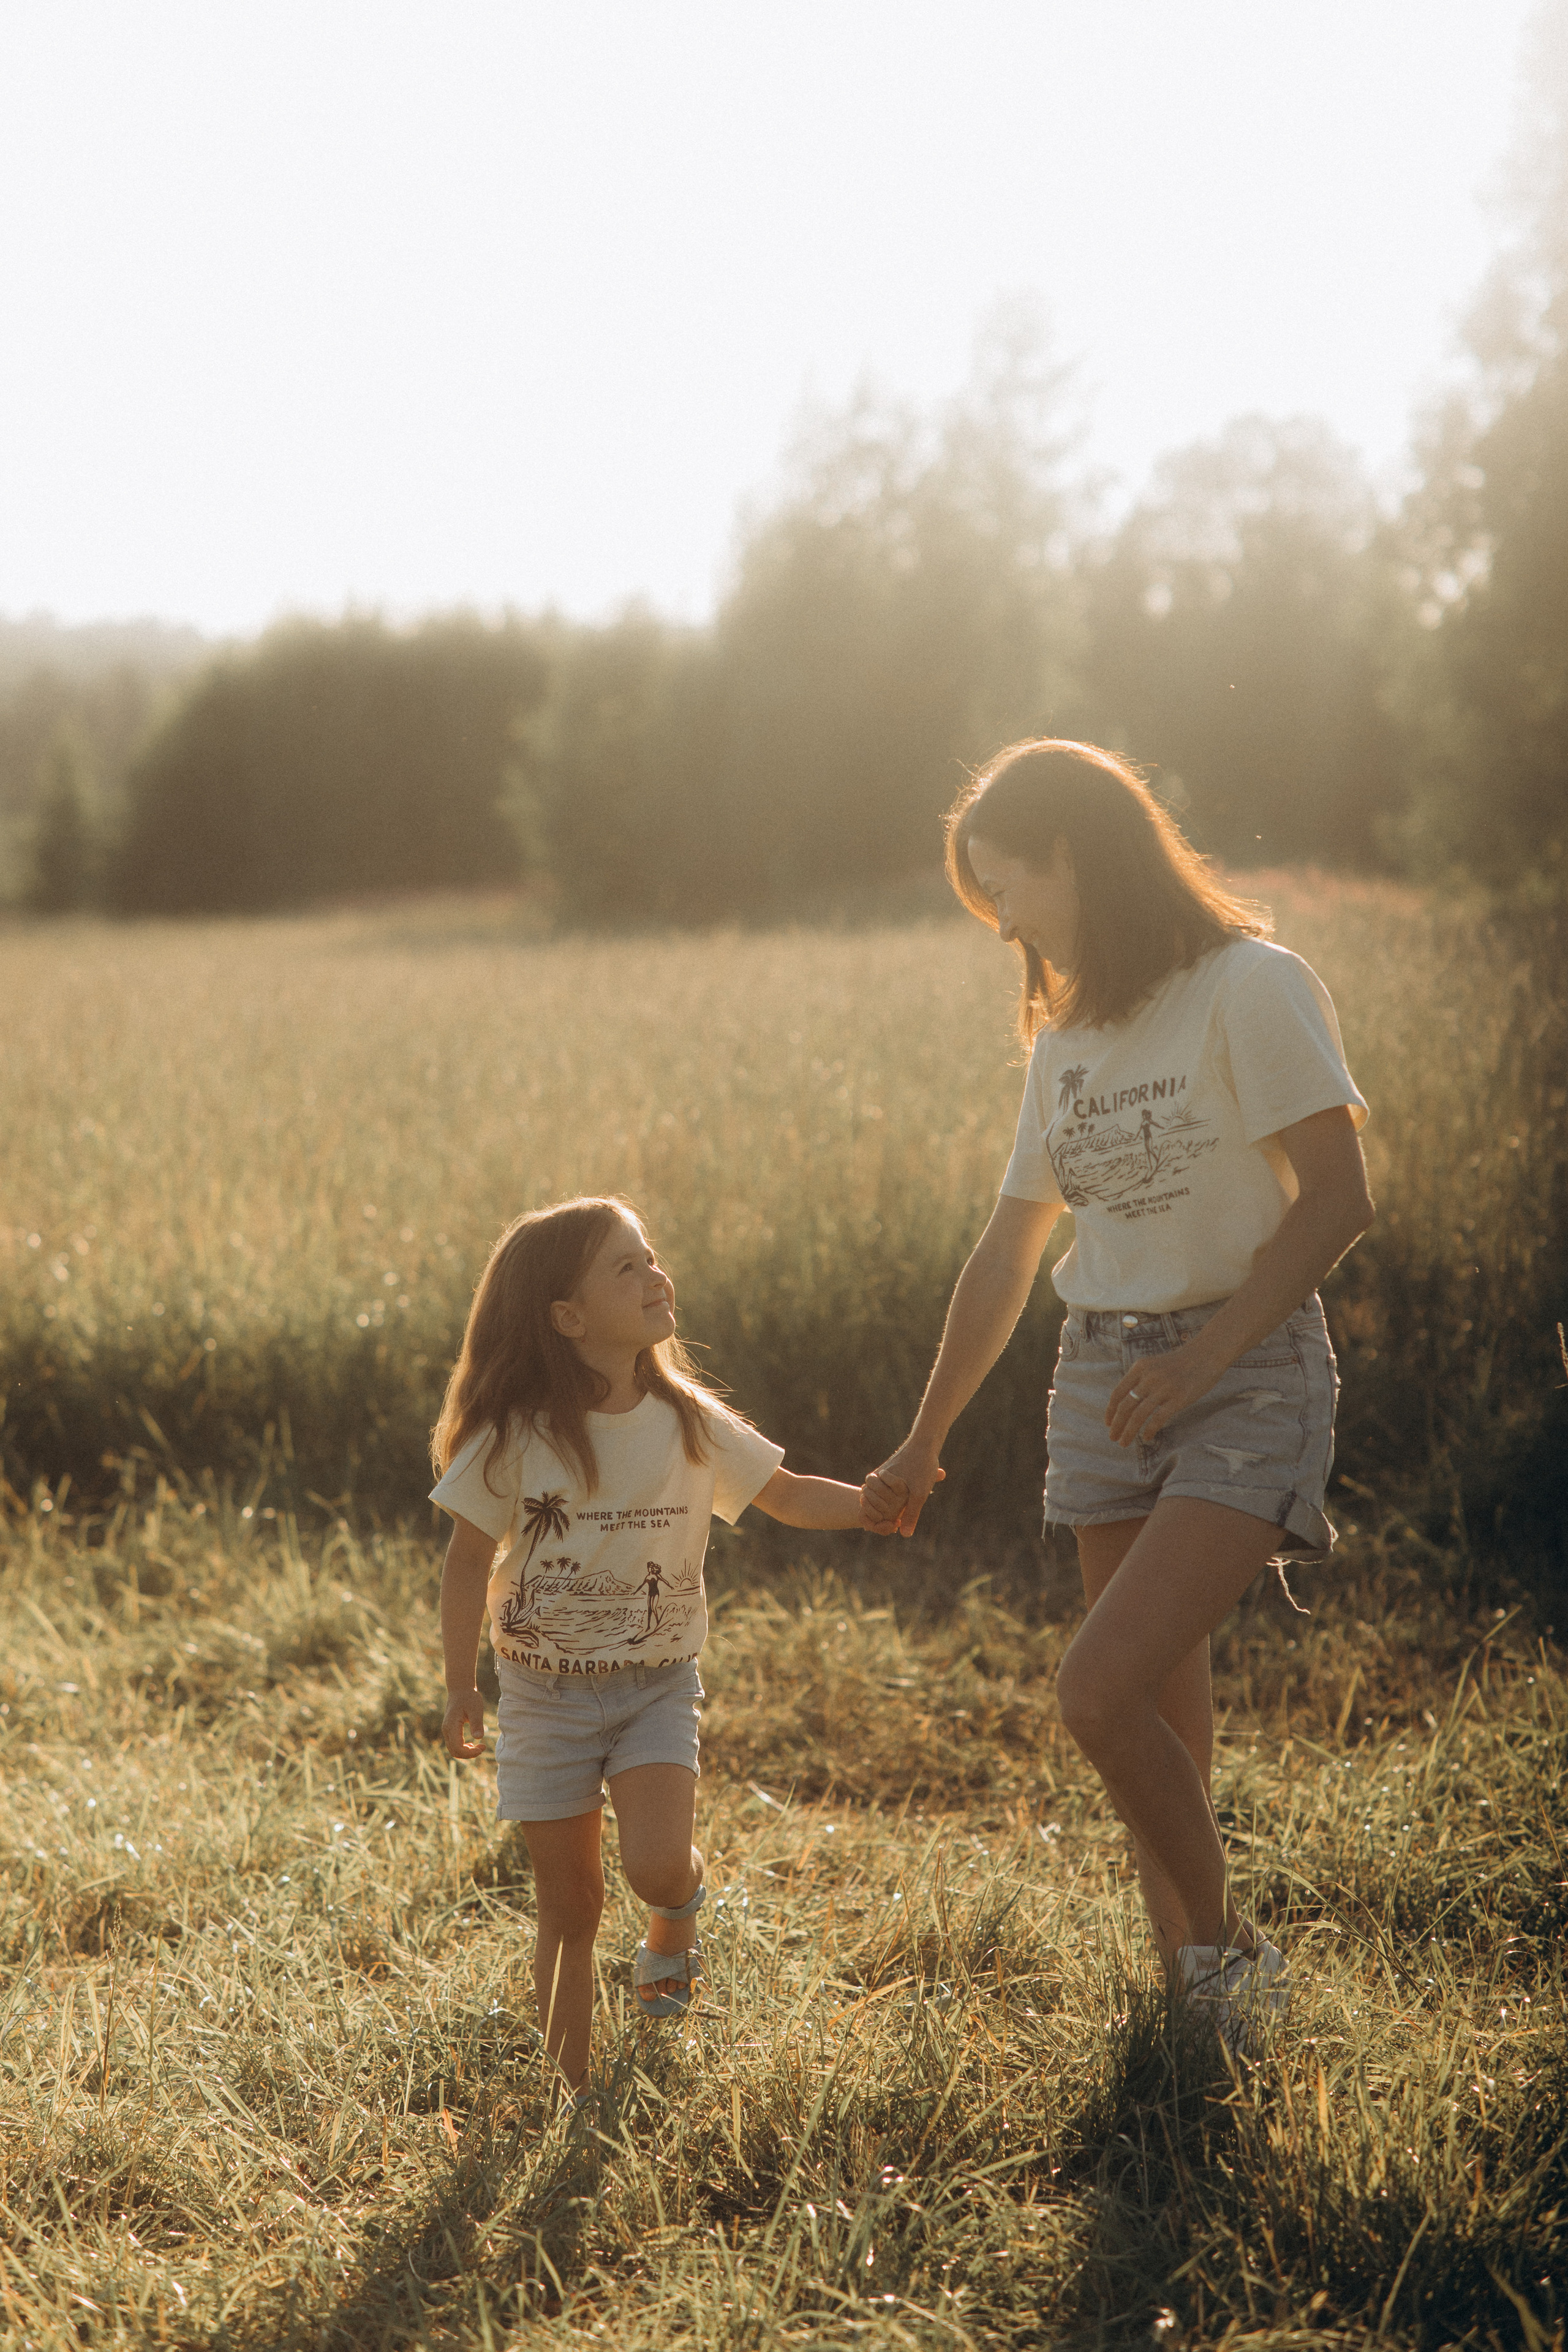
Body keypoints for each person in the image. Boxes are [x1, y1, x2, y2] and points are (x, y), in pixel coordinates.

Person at [863, 740, 1372, 2053]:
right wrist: (922, 1440)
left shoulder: (1248, 986)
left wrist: (1203, 1362)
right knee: (1153, 1717)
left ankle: (1233, 1952)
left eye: (1007, 887)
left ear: (1074, 855)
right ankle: (1195, 2008)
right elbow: (1005, 1253)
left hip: (1241, 1369)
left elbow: (1334, 1201)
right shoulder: (1066, 1040)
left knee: (1092, 1693)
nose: (1004, 923)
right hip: (1100, 1377)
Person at [431, 1194, 889, 2098]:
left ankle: (677, 1916)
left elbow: (789, 1494)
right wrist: (460, 1687)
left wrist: (876, 1504)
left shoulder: (687, 1420)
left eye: (652, 1257)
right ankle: (573, 2098)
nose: (655, 1275)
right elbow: (464, 1564)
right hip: (542, 1696)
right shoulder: (515, 1434)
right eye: (626, 1267)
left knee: (651, 1868)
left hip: (653, 1688)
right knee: (570, 1908)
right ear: (568, 1319)